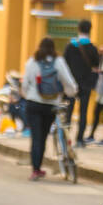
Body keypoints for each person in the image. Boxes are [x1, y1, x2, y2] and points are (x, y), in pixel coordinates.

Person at [21, 36, 77, 179]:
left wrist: (28, 95)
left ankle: (35, 169)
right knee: (44, 136)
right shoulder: (59, 62)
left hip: (33, 104)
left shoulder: (32, 62)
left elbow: (25, 85)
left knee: (36, 137)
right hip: (50, 106)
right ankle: (38, 168)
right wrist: (72, 92)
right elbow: (68, 81)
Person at [62, 19, 100, 145]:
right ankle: (79, 139)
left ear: (78, 29)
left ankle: (65, 138)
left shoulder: (70, 46)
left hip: (71, 84)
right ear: (90, 30)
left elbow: (64, 64)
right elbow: (96, 66)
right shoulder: (92, 48)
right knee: (83, 112)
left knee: (69, 111)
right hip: (86, 83)